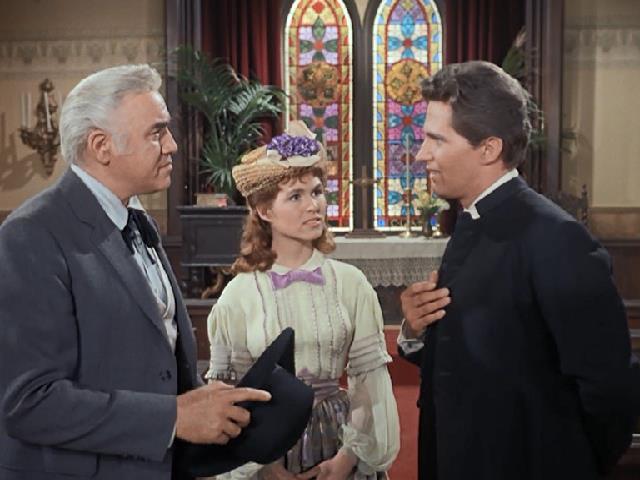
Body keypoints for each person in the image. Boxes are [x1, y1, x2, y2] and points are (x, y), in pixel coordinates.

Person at [0, 64, 270, 480]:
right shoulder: (30, 236)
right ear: (101, 145)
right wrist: (174, 417)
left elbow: (149, 353)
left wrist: (198, 396)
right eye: (156, 132)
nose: (173, 145)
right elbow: (30, 401)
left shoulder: (137, 221)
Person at [397, 60, 640, 480]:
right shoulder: (471, 222)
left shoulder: (558, 240)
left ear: (488, 149)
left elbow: (608, 391)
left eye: (437, 140)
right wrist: (414, 334)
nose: (422, 155)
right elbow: (488, 361)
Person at [206, 121, 400, 479]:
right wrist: (263, 468)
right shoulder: (240, 293)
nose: (314, 206)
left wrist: (348, 458)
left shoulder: (350, 283)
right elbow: (229, 392)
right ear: (265, 211)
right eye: (296, 196)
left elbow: (368, 382)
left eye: (317, 192)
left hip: (340, 438)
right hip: (267, 445)